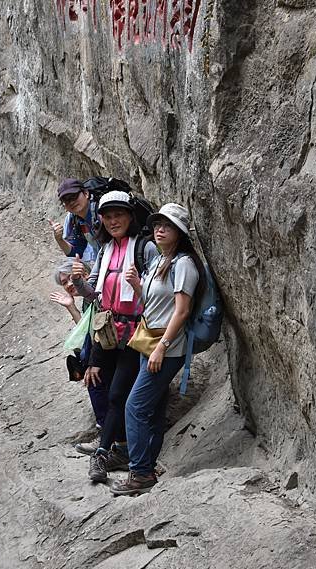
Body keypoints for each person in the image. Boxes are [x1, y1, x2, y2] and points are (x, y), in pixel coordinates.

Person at [110, 203, 205, 496]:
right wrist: (139, 287)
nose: (159, 229)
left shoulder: (184, 264)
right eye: (157, 224)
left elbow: (182, 311)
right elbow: (154, 305)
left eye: (168, 226)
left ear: (180, 233)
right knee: (151, 408)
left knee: (135, 406)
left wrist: (162, 348)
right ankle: (146, 467)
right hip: (148, 341)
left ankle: (139, 474)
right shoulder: (160, 261)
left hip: (165, 347)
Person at [71, 190, 159, 483]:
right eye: (107, 217)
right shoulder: (107, 249)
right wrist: (78, 282)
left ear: (130, 216)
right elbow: (94, 293)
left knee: (120, 393)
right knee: (107, 388)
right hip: (109, 331)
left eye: (118, 215)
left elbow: (160, 295)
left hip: (137, 334)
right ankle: (120, 449)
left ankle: (103, 454)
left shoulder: (144, 248)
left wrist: (136, 286)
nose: (112, 221)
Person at [51, 259, 110, 443]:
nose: (69, 284)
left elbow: (98, 332)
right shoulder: (86, 301)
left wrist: (95, 362)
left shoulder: (96, 294)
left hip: (109, 352)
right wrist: (71, 307)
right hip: (100, 351)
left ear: (83, 273)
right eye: (64, 283)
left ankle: (111, 437)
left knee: (96, 381)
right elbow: (86, 331)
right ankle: (108, 435)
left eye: (71, 278)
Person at [49, 178, 100, 263]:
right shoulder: (76, 220)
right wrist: (59, 239)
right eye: (66, 200)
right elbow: (75, 252)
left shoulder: (99, 211)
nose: (72, 202)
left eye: (74, 196)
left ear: (86, 193)